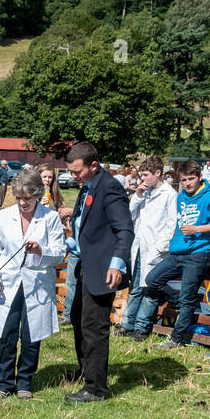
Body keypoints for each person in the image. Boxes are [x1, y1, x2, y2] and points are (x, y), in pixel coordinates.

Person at [0, 168, 67, 399]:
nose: (22, 203)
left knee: (31, 335)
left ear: (38, 195)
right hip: (7, 282)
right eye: (18, 198)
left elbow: (59, 253)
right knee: (7, 334)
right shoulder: (3, 216)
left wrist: (41, 250)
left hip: (37, 283)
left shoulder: (50, 218)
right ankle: (4, 383)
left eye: (27, 199)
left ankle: (25, 382)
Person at [63, 141, 134, 403]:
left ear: (94, 165)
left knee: (94, 327)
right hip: (85, 263)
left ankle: (96, 388)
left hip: (104, 269)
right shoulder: (87, 186)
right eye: (70, 171)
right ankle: (86, 370)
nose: (73, 177)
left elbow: (124, 230)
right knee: (79, 320)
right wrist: (70, 244)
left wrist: (117, 263)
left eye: (77, 172)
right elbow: (85, 226)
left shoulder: (111, 188)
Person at [141, 159, 210, 351]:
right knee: (152, 279)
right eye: (184, 179)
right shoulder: (180, 197)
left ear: (199, 177)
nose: (188, 183)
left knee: (188, 296)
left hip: (198, 253)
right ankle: (182, 304)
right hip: (177, 252)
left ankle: (176, 338)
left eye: (191, 179)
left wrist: (198, 228)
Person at [118, 156, 177, 340]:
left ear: (157, 173)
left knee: (150, 290)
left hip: (155, 249)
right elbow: (129, 214)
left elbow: (171, 223)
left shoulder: (169, 194)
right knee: (135, 288)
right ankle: (127, 324)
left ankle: (142, 327)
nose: (142, 179)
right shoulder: (145, 193)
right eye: (141, 175)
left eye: (145, 175)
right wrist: (138, 195)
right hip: (140, 246)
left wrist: (161, 247)